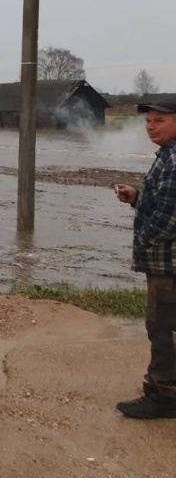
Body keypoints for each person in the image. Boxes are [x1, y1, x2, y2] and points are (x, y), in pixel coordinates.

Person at [115, 98, 176, 418]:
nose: (151, 126)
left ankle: (164, 396)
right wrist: (137, 198)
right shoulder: (167, 155)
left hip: (169, 264)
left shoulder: (175, 158)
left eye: (160, 120)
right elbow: (163, 201)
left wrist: (144, 240)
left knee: (162, 326)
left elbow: (170, 216)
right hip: (166, 261)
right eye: (148, 121)